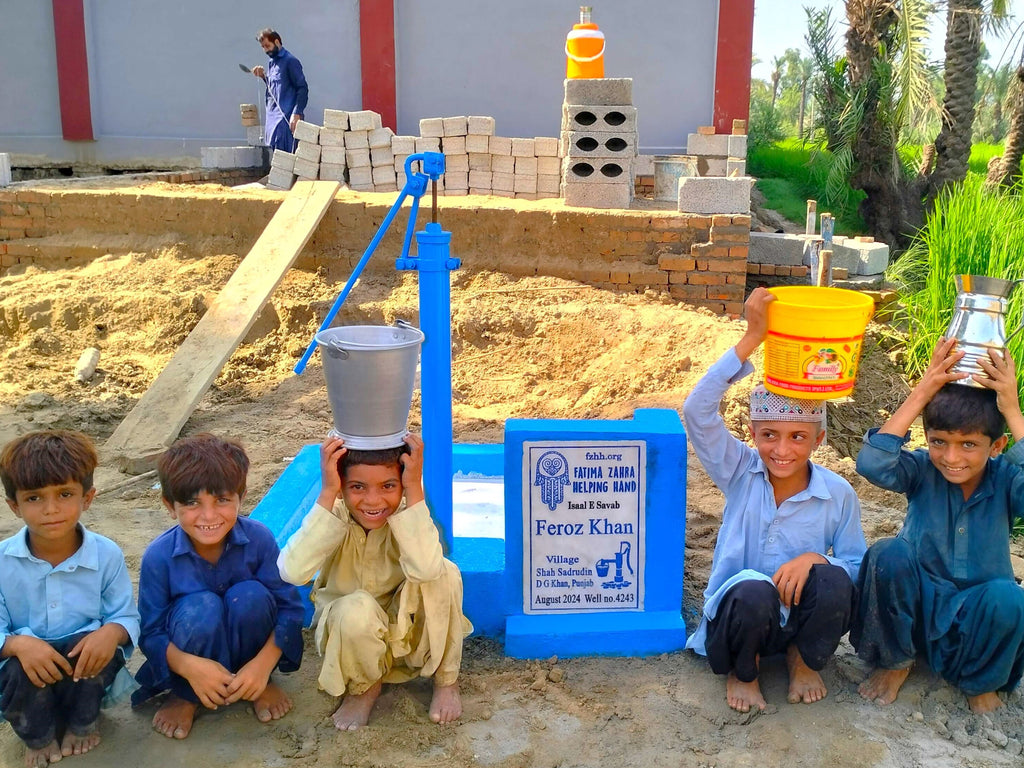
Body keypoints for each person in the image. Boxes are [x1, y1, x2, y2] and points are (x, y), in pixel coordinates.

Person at [682, 287, 866, 713]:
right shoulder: (739, 472)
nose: (782, 450)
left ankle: (803, 660)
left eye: (797, 437)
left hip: (796, 625)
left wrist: (818, 560)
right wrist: (754, 336)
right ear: (752, 433)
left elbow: (856, 568)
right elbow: (696, 412)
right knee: (753, 590)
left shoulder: (838, 494)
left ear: (818, 439)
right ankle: (744, 672)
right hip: (740, 618)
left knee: (834, 580)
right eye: (770, 435)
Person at [852, 337, 1024, 713]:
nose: (951, 457)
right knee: (888, 553)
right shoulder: (920, 469)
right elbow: (872, 465)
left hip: (974, 626)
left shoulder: (1008, 479)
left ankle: (981, 685)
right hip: (913, 614)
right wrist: (923, 391)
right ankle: (897, 663)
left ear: (997, 446)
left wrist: (1011, 407)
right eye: (939, 442)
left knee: (1009, 597)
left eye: (968, 445)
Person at [278, 433, 472, 730]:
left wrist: (413, 491)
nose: (372, 500)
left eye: (388, 486)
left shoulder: (409, 516)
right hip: (352, 638)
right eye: (357, 486)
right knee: (356, 608)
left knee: (444, 572)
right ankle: (364, 688)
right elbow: (291, 571)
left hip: (407, 640)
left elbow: (427, 569)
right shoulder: (335, 517)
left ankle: (446, 680)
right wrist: (328, 492)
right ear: (341, 486)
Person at [132, 434, 304, 739]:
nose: (209, 516)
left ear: (241, 496)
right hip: (191, 653)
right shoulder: (158, 557)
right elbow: (151, 633)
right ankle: (186, 695)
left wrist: (262, 666)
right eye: (192, 503)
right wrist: (187, 666)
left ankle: (256, 683)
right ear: (169, 505)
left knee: (249, 597)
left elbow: (290, 609)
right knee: (201, 607)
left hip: (253, 658)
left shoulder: (260, 539)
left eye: (222, 500)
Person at [0, 430, 140, 768]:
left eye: (65, 494)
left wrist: (111, 632)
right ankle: (39, 737)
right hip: (26, 676)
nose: (51, 509)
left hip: (84, 672)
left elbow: (126, 616)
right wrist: (18, 645)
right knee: (16, 666)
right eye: (34, 498)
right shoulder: (2, 562)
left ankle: (82, 723)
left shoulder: (106, 554)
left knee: (93, 644)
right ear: (14, 505)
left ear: (87, 498)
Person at [250, 28, 308, 152]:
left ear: (276, 42)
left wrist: (297, 113)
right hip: (273, 119)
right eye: (263, 47)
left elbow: (302, 88)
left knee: (288, 161)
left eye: (267, 46)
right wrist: (263, 76)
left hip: (286, 121)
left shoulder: (290, 61)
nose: (266, 50)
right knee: (277, 162)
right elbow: (274, 89)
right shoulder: (272, 62)